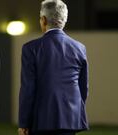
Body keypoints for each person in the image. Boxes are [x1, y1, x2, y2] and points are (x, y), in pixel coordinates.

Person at [18, 0, 89, 135]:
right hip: (70, 119)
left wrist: (24, 122)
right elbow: (83, 88)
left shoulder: (31, 48)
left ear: (43, 20)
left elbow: (28, 88)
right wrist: (74, 111)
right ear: (64, 20)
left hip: (41, 120)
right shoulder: (80, 48)